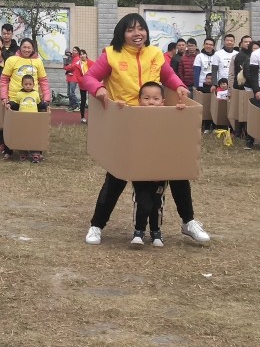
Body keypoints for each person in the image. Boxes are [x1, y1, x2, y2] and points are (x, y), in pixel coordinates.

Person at [83, 13, 211, 246]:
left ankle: (188, 221)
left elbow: (168, 76)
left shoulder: (155, 54)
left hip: (155, 123)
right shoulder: (111, 54)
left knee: (176, 170)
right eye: (130, 29)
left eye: (141, 28)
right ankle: (97, 225)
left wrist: (179, 86)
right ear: (122, 33)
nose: (137, 33)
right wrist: (99, 89)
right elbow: (89, 77)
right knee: (116, 177)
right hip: (126, 123)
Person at [130, 81, 187, 247]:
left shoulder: (167, 119)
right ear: (139, 100)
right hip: (140, 171)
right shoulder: (134, 118)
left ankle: (156, 232)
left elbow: (180, 129)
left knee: (157, 202)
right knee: (142, 201)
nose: (151, 102)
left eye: (155, 99)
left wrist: (180, 112)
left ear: (163, 102)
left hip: (161, 172)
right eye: (146, 98)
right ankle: (139, 231)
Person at [0, 38, 51, 161]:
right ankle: (11, 150)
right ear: (20, 47)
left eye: (29, 47)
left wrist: (46, 98)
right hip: (15, 100)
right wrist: (4, 97)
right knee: (14, 126)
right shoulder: (12, 60)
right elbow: (4, 80)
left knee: (35, 127)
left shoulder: (38, 61)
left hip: (33, 101)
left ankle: (36, 150)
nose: (26, 50)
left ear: (32, 49)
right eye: (24, 47)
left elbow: (43, 81)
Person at [74, 49, 95, 124]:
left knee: (92, 101)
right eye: (81, 54)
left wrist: (90, 81)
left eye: (83, 54)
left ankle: (92, 117)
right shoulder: (77, 65)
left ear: (86, 55)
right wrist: (85, 81)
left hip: (90, 84)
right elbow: (78, 76)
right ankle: (82, 117)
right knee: (83, 100)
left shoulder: (91, 63)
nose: (82, 55)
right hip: (83, 85)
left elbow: (94, 72)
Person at [64, 46, 81, 112]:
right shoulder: (71, 58)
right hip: (69, 77)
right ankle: (71, 106)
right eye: (73, 50)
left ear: (78, 52)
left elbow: (72, 67)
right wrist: (67, 66)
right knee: (69, 94)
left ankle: (77, 104)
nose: (73, 51)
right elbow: (66, 66)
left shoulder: (78, 59)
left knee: (72, 93)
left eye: (75, 50)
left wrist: (66, 67)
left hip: (74, 78)